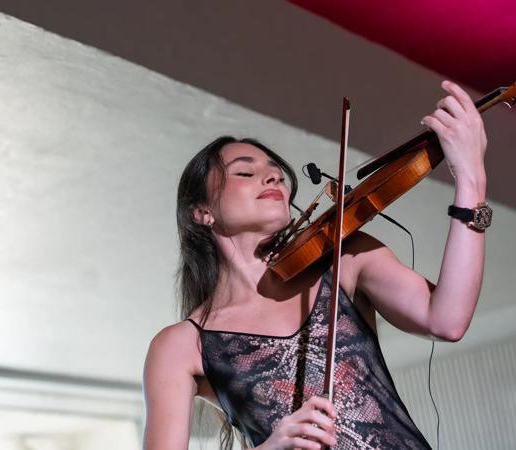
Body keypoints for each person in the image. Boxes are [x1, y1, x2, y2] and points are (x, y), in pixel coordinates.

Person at [143, 80, 488, 450]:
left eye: (275, 170)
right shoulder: (182, 345)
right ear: (202, 212)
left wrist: (472, 178)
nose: (273, 175)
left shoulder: (343, 258)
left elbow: (447, 320)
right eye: (245, 172)